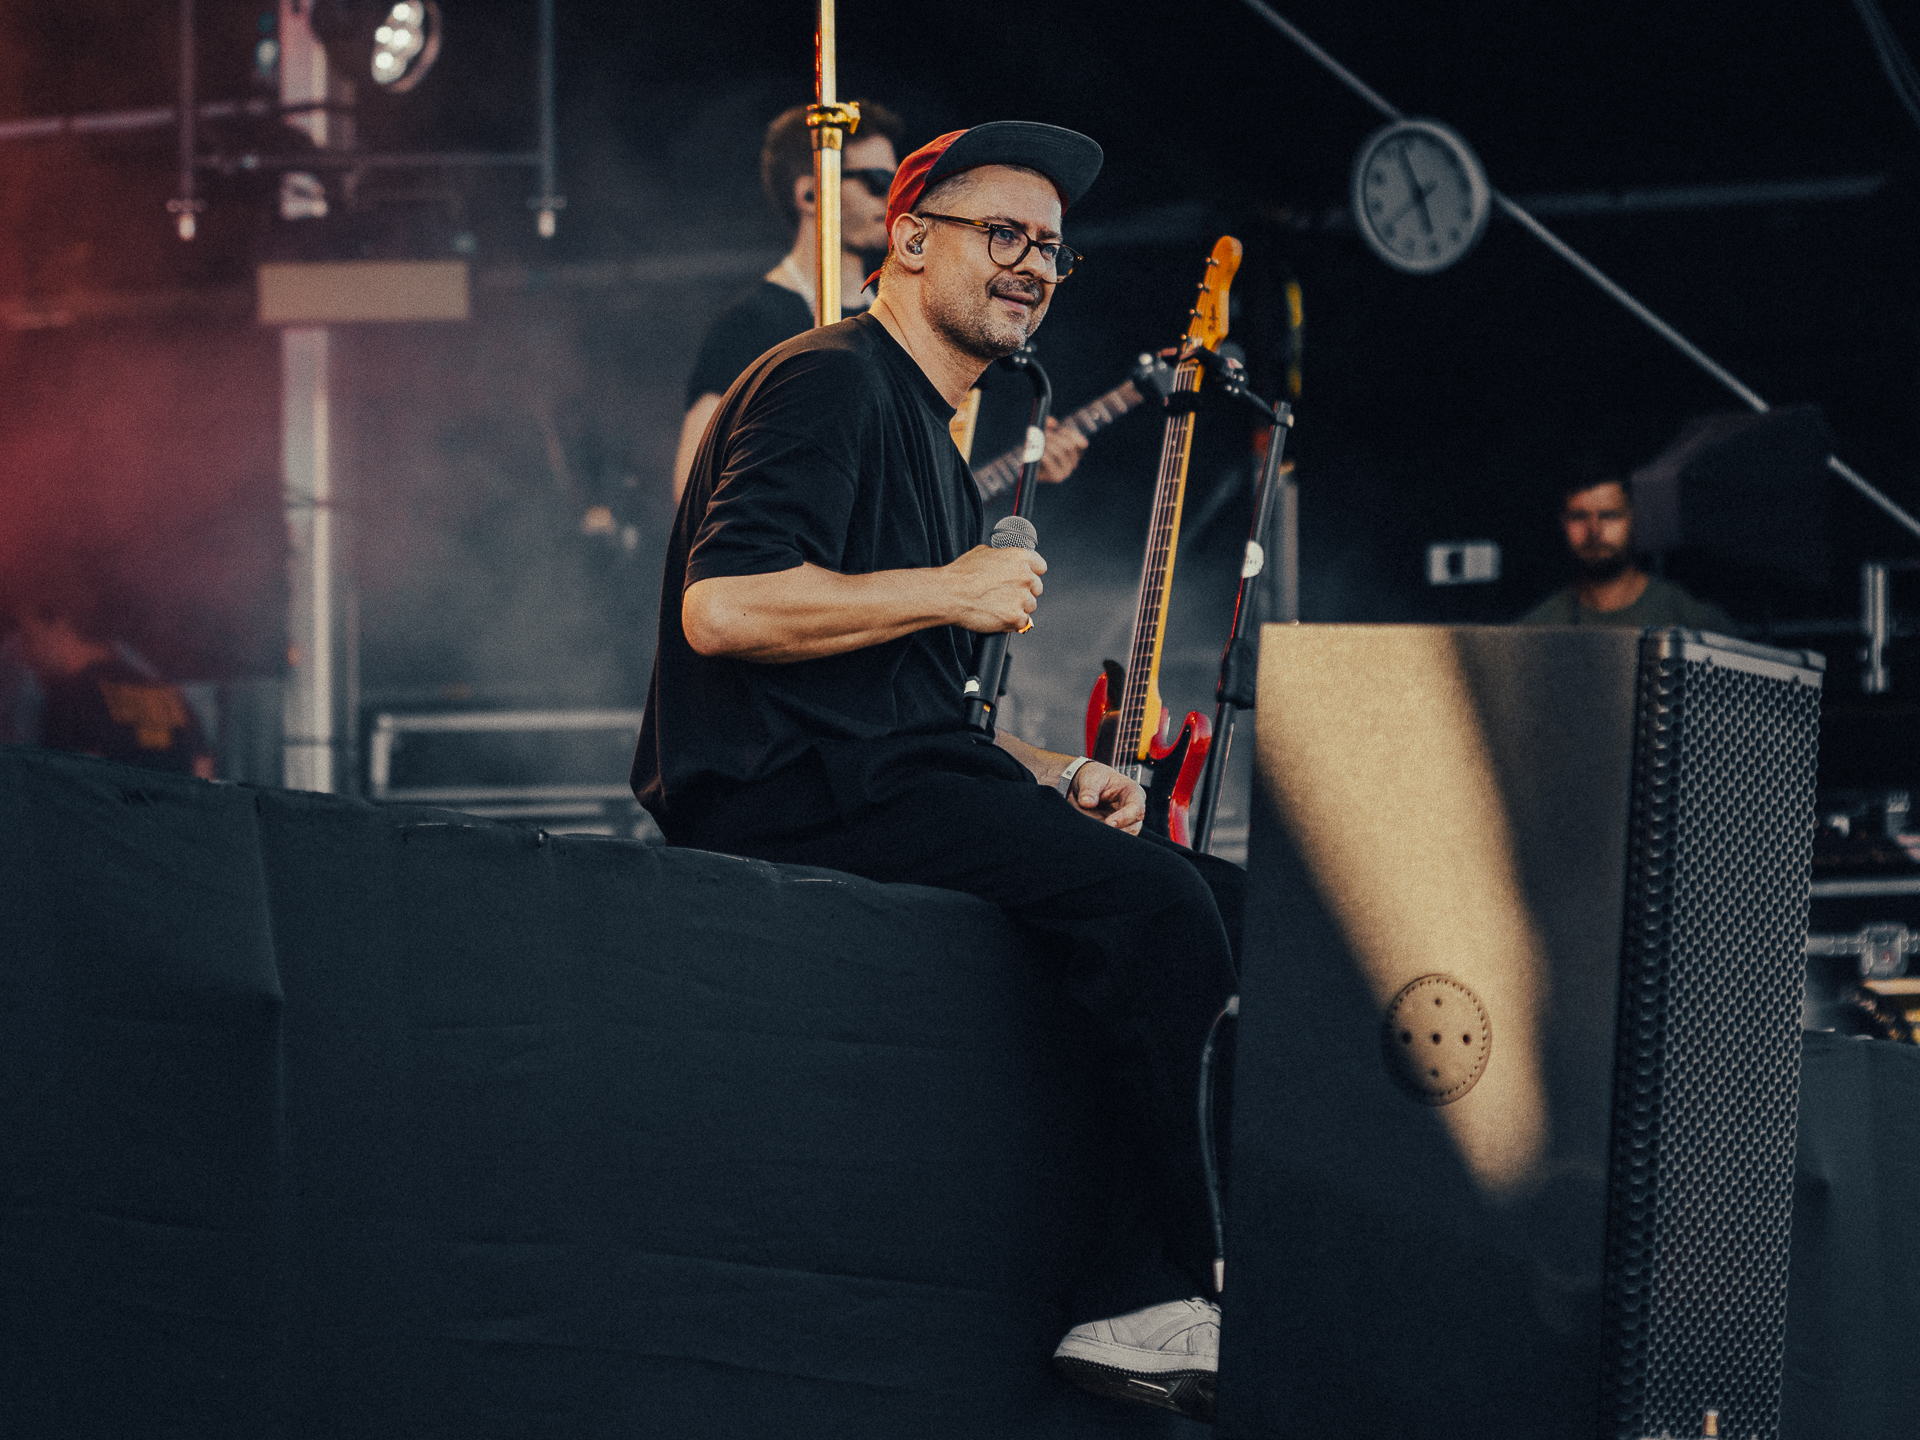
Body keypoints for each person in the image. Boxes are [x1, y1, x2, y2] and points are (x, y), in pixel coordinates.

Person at [632, 121, 1239, 1422]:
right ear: (907, 240)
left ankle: (1175, 1268)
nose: (1032, 265)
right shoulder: (829, 379)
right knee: (1159, 905)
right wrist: (952, 588)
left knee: (1221, 894)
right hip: (787, 792)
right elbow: (722, 609)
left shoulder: (935, 441)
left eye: (1052, 250)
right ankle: (1156, 1288)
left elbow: (916, 711)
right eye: (1000, 232)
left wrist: (1053, 772)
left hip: (889, 775)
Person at [673, 102, 1087, 501]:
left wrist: (1015, 480)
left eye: (1050, 248)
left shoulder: (924, 322)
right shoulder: (751, 322)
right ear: (810, 194)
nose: (892, 196)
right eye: (876, 181)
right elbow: (695, 487)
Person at [4, 589, 214, 779]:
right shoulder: (165, 694)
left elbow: (65, 787)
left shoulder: (71, 700)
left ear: (58, 626)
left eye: (29, 638)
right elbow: (203, 771)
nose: (24, 655)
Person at [1518, 472, 1735, 630]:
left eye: (1609, 515)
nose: (1594, 531)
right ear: (1563, 522)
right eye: (1579, 516)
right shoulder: (1537, 630)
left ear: (1634, 518)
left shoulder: (1690, 620)